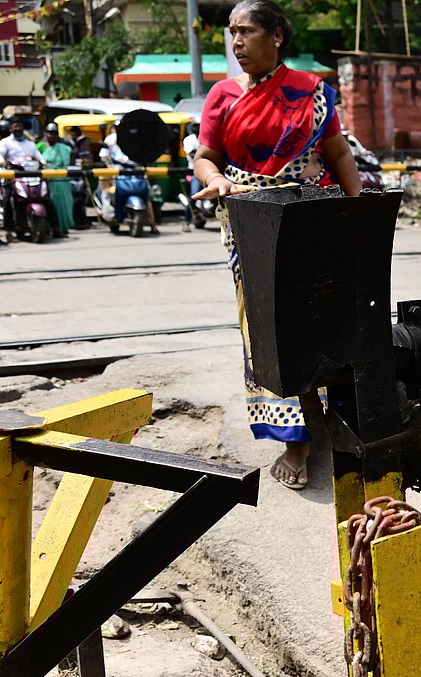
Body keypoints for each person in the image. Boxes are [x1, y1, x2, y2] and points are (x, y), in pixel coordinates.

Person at [191, 0, 363, 490]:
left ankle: (333, 418)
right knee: (265, 327)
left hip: (310, 216)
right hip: (249, 223)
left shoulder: (312, 92)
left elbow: (338, 154)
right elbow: (205, 157)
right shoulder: (222, 95)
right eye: (232, 32)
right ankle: (295, 439)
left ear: (277, 36)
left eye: (246, 31)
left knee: (317, 321)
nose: (236, 42)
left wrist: (357, 215)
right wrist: (216, 179)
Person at [100, 130, 159, 234]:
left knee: (147, 196)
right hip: (117, 171)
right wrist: (110, 168)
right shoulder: (111, 139)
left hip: (137, 172)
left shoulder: (138, 137)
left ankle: (152, 224)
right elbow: (104, 156)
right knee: (107, 190)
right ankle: (107, 212)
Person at [36, 123, 74, 237]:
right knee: (50, 203)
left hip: (62, 180)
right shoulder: (40, 146)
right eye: (49, 133)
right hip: (47, 180)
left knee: (64, 204)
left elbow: (68, 160)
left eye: (53, 133)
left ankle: (63, 227)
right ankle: (47, 227)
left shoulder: (64, 148)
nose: (51, 135)